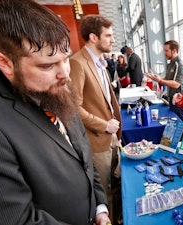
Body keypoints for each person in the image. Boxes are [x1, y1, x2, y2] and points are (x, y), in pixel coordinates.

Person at [0, 0, 110, 224]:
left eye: (66, 58)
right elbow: (14, 219)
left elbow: (82, 154)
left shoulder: (54, 82)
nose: (65, 74)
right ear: (4, 62)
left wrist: (100, 208)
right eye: (47, 65)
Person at [69, 15, 122, 224]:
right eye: (108, 35)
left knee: (117, 184)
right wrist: (104, 125)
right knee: (105, 193)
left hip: (111, 138)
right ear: (93, 37)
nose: (112, 40)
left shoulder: (100, 62)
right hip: (97, 141)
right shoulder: (77, 63)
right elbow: (73, 108)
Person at [146, 40, 183, 121]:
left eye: (166, 50)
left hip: (179, 101)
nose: (164, 53)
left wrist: (160, 81)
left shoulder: (180, 64)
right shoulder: (170, 64)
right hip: (171, 99)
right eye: (164, 50)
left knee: (181, 125)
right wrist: (155, 78)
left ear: (174, 51)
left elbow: (176, 84)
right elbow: (167, 78)